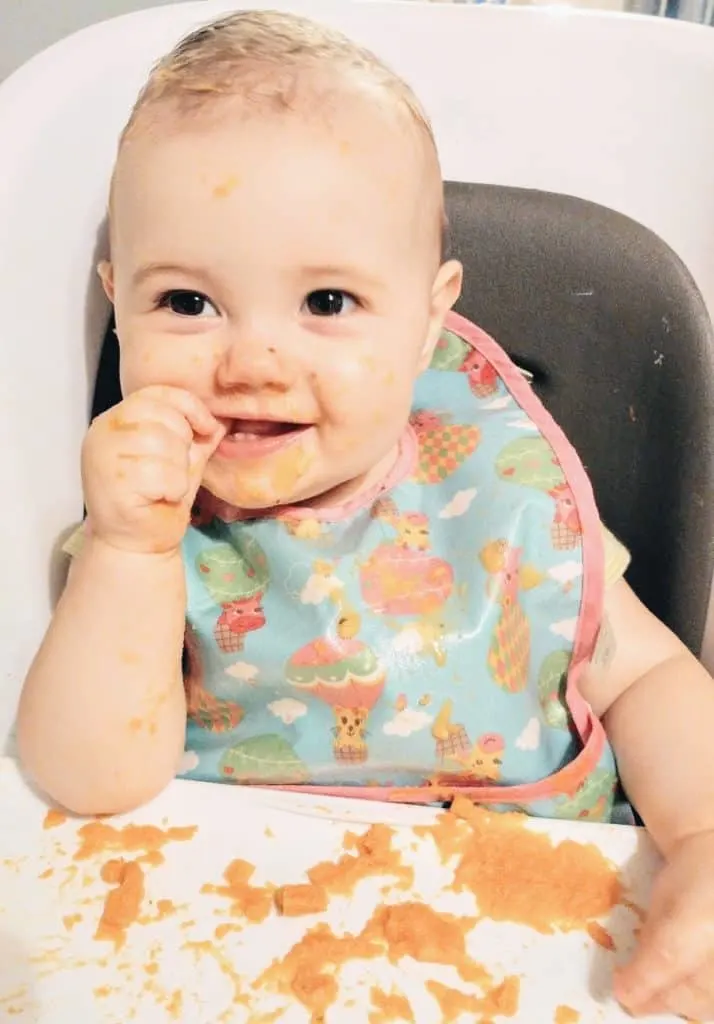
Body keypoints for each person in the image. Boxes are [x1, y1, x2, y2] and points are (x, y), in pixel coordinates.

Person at [16, 10, 714, 1018]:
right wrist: (130, 551)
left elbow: (644, 674)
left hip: (546, 945)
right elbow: (87, 780)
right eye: (186, 303)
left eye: (329, 303)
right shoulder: (156, 528)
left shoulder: (502, 492)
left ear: (432, 317)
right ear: (116, 299)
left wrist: (700, 835)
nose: (252, 360)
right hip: (227, 940)